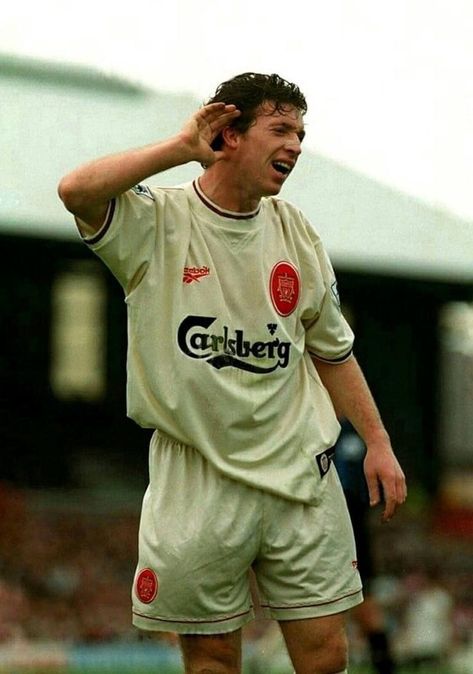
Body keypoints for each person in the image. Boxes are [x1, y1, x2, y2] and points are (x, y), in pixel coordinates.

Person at [58, 72, 407, 674]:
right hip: (198, 473)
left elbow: (332, 351)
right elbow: (75, 190)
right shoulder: (157, 223)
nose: (296, 144)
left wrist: (377, 441)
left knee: (326, 655)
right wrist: (179, 148)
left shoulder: (295, 231)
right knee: (214, 656)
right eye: (280, 129)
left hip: (300, 469)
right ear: (229, 133)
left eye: (301, 132)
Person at [333, 420, 397, 674]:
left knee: (364, 599)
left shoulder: (355, 433)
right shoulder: (311, 419)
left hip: (352, 526)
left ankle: (384, 666)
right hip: (320, 521)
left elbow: (362, 489)